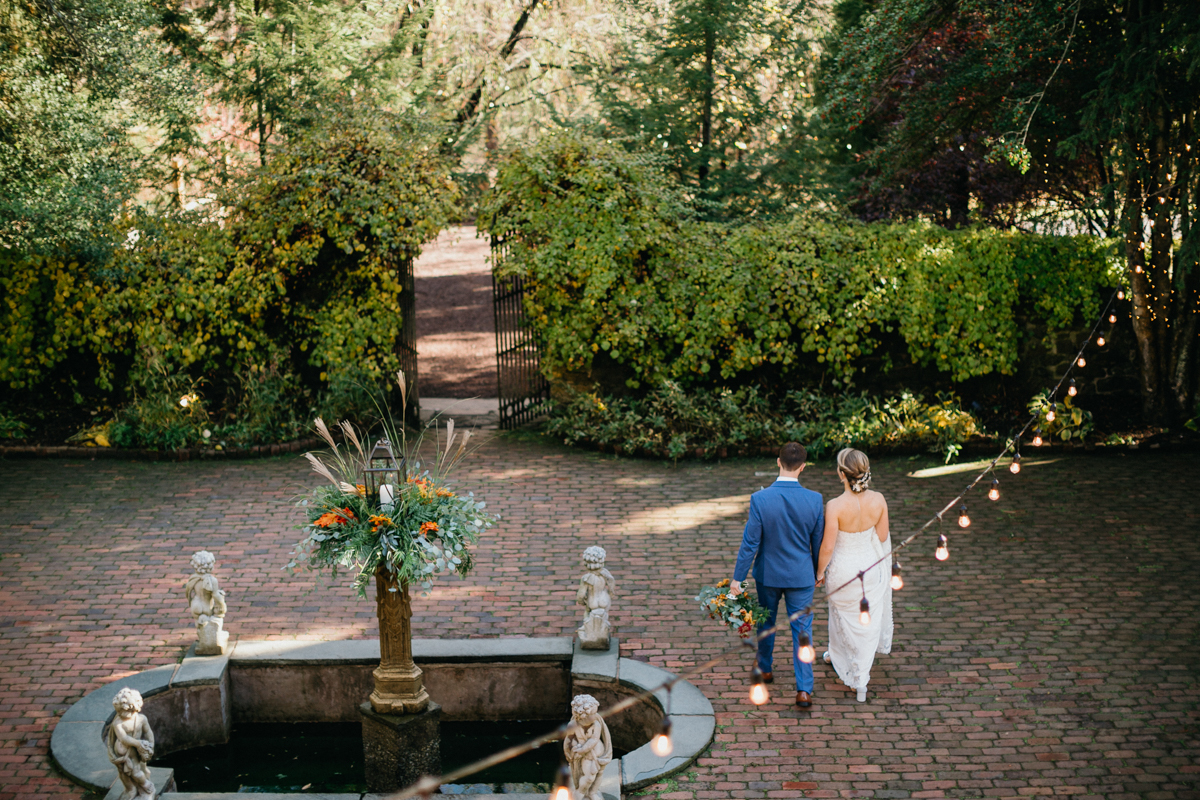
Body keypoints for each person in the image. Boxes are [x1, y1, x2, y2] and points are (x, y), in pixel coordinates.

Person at [729, 442, 824, 708]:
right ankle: (804, 689)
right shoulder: (815, 500)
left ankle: (766, 668)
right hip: (801, 577)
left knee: (766, 623)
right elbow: (817, 542)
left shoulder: (760, 499)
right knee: (802, 632)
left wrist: (738, 577)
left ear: (778, 462)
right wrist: (818, 571)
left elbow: (751, 543)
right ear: (803, 467)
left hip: (768, 575)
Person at [816, 448, 893, 703]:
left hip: (843, 572)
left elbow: (827, 547)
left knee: (841, 617)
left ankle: (858, 676)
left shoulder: (835, 506)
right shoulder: (879, 500)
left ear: (841, 474)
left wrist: (819, 572)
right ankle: (842, 659)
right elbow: (882, 537)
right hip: (870, 571)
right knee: (866, 621)